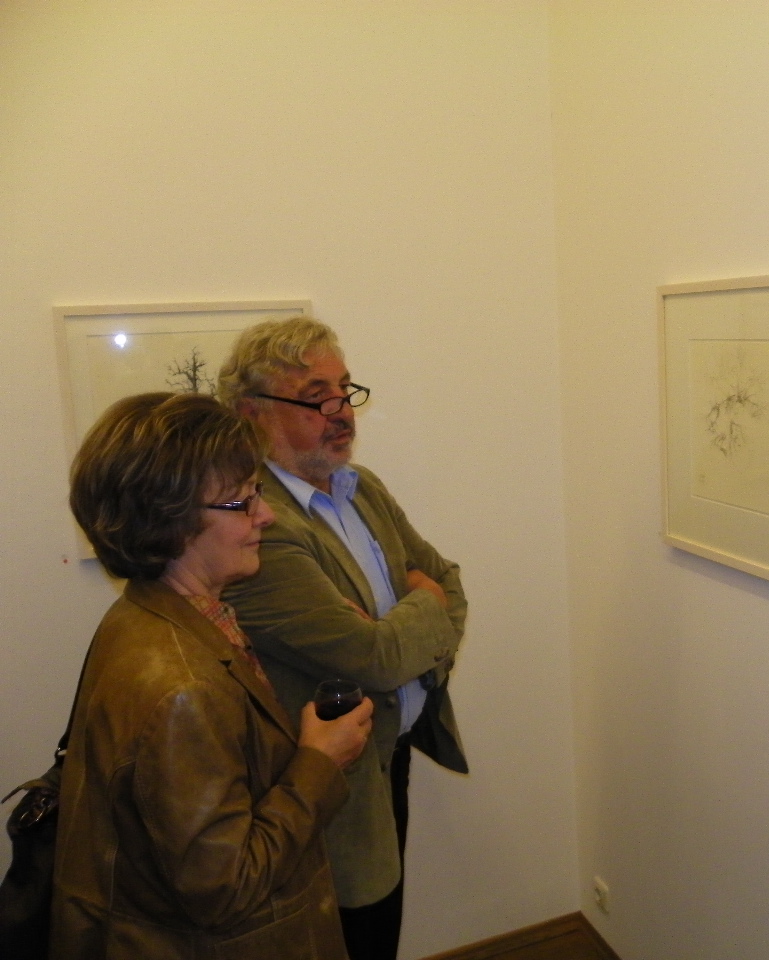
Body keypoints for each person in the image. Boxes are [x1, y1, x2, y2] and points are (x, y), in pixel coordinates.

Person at [52, 392, 374, 960]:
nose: (266, 515)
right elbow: (226, 886)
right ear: (171, 521)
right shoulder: (183, 687)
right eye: (243, 501)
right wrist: (320, 762)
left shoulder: (148, 614)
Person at [217, 317, 467, 960]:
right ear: (252, 414)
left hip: (391, 754)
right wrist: (421, 607)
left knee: (382, 926)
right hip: (326, 786)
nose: (342, 412)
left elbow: (449, 581)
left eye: (345, 390)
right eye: (315, 397)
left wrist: (411, 613)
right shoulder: (260, 525)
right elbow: (373, 659)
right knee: (351, 936)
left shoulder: (363, 488)